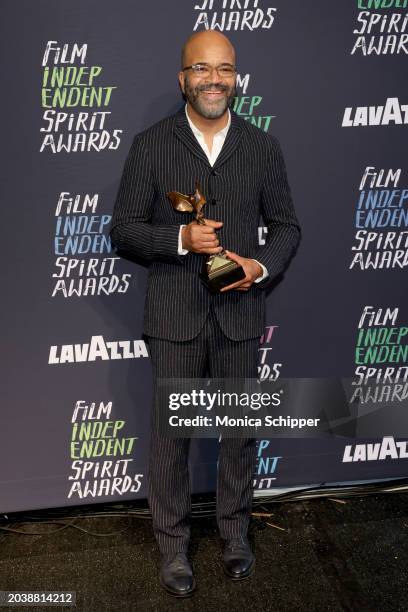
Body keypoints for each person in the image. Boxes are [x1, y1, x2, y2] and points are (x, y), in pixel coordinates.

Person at [110, 29, 301, 597]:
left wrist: (258, 267)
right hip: (174, 316)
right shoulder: (151, 145)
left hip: (240, 312)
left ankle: (235, 533)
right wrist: (180, 239)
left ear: (235, 77)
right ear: (183, 78)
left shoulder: (262, 147)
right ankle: (172, 546)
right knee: (173, 434)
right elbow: (122, 229)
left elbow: (288, 227)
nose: (214, 79)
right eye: (202, 69)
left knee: (240, 432)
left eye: (225, 69)